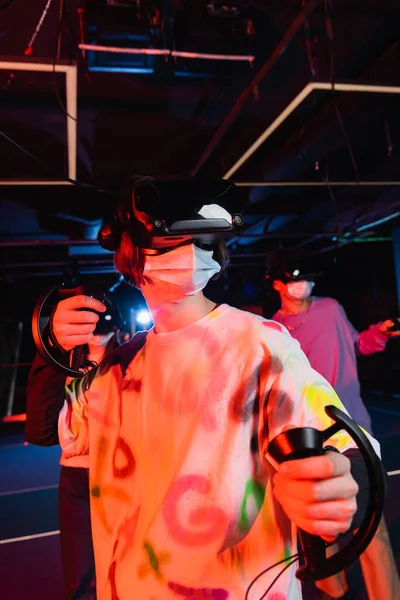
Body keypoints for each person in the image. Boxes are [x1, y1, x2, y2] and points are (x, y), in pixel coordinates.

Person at [31, 177, 382, 600]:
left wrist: (338, 483)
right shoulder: (116, 369)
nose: (188, 253)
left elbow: (343, 443)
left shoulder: (260, 345)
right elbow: (51, 431)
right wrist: (51, 346)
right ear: (130, 251)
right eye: (168, 240)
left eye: (201, 240)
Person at [266, 260, 400, 599]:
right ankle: (333, 594)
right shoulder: (272, 332)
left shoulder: (331, 309)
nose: (302, 286)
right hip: (308, 440)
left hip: (353, 434)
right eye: (294, 280)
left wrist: (378, 333)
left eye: (308, 279)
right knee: (319, 532)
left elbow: (357, 345)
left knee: (373, 530)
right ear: (277, 285)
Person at [26, 295, 124, 600]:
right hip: (75, 471)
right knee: (80, 562)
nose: (95, 327)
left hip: (119, 472)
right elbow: (40, 429)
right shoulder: (64, 364)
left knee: (124, 556)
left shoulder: (130, 360)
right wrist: (51, 352)